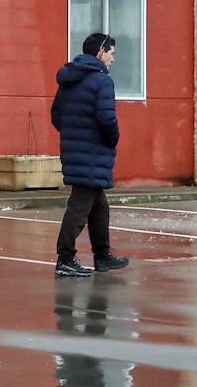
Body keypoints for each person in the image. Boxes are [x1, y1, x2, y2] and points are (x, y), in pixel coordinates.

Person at [51, 32, 130, 277]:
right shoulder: (101, 81)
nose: (113, 59)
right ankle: (65, 258)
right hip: (93, 152)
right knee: (79, 206)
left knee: (99, 207)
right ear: (101, 53)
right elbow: (107, 119)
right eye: (112, 53)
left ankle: (103, 256)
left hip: (75, 150)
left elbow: (57, 116)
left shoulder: (69, 78)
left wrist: (74, 135)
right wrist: (112, 139)